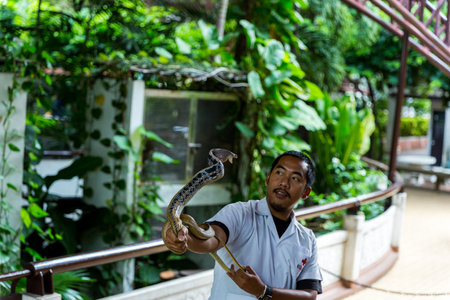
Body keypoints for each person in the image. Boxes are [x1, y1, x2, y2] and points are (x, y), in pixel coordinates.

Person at [163, 151, 323, 300]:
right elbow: (210, 240)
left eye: (295, 178)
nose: (284, 183)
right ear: (268, 179)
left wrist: (264, 291)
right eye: (279, 173)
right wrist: (184, 238)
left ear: (305, 193)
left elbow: (309, 295)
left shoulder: (307, 239)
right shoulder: (239, 213)